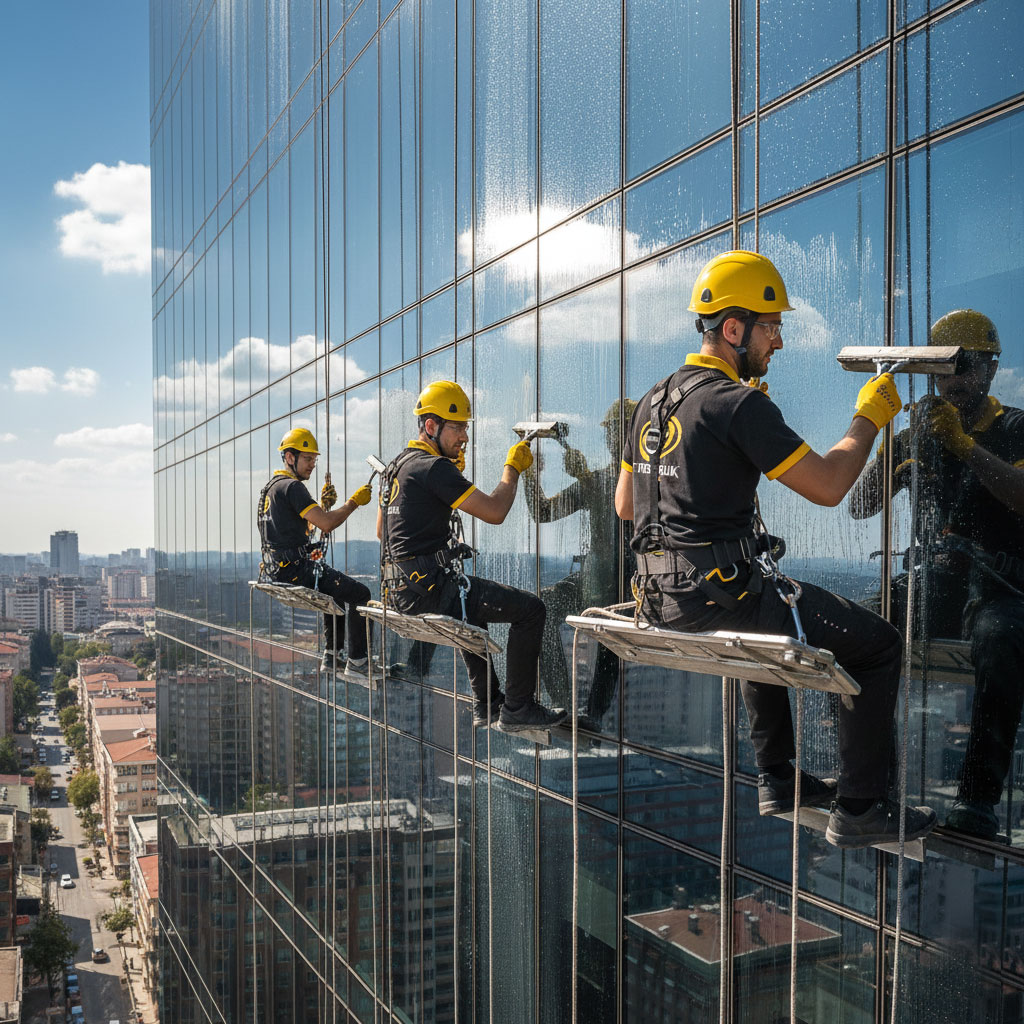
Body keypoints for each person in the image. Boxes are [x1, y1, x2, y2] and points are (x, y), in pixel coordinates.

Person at [614, 249, 936, 849]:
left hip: (659, 598)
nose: (780, 341)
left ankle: (779, 780)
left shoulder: (653, 401)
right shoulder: (738, 405)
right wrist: (869, 417)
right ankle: (861, 806)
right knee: (877, 646)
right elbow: (830, 486)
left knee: (758, 619)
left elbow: (627, 506)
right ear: (734, 329)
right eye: (771, 327)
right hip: (716, 597)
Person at [850, 310, 1024, 841]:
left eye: (964, 368)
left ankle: (976, 799)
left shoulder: (1014, 429)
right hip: (938, 583)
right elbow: (859, 506)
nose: (952, 382)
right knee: (855, 631)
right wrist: (892, 454)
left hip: (998, 584)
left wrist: (965, 448)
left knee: (999, 637)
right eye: (943, 371)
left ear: (990, 369)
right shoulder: (919, 435)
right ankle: (872, 785)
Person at [377, 380, 567, 732]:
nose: (465, 436)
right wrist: (512, 468)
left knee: (471, 606)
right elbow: (495, 511)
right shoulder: (433, 468)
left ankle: (487, 703)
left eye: (466, 427)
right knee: (531, 610)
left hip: (402, 591)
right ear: (431, 426)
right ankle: (518, 708)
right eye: (458, 428)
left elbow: (381, 533)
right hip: (429, 591)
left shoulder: (396, 467)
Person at [522, 401, 636, 728]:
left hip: (627, 582)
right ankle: (563, 706)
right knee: (542, 608)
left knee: (610, 631)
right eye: (610, 431)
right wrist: (530, 473)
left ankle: (592, 715)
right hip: (595, 577)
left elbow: (621, 506)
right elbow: (544, 512)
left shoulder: (647, 482)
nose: (611, 438)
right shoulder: (599, 479)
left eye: (616, 430)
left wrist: (586, 478)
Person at [257, 428, 374, 674]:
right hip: (296, 571)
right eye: (307, 458)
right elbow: (327, 524)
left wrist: (321, 506)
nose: (312, 464)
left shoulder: (271, 488)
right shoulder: (293, 487)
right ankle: (358, 662)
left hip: (277, 570)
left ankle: (331, 656)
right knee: (361, 594)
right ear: (290, 457)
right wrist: (354, 502)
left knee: (336, 592)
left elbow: (293, 532)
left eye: (314, 459)